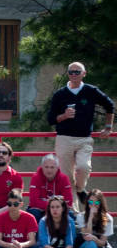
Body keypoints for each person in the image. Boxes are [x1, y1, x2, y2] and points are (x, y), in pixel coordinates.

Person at [47, 61, 114, 208]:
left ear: (84, 74)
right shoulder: (60, 94)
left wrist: (108, 127)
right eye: (71, 72)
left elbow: (110, 105)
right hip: (64, 138)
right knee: (66, 177)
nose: (74, 75)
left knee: (83, 167)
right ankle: (74, 212)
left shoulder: (91, 91)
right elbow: (51, 119)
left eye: (77, 72)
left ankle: (80, 188)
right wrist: (64, 116)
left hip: (84, 138)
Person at [27, 154, 73, 221]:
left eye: (52, 167)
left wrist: (53, 207)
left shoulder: (64, 178)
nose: (49, 170)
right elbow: (33, 202)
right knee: (33, 214)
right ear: (42, 167)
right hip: (40, 211)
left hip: (58, 211)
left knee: (70, 216)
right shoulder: (35, 178)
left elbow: (68, 201)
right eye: (46, 167)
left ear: (57, 168)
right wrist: (54, 205)